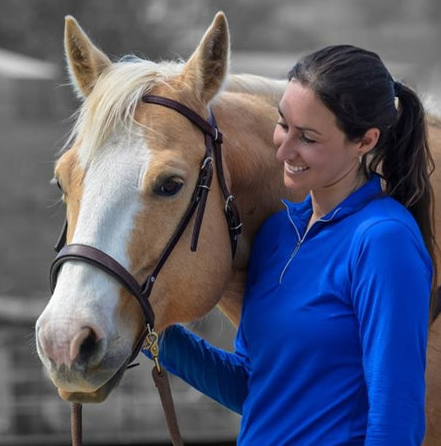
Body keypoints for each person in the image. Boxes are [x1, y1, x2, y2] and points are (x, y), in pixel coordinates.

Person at [147, 45, 437, 445]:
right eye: (284, 125)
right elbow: (255, 390)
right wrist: (151, 331)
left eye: (308, 137)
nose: (283, 149)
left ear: (365, 141)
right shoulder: (277, 234)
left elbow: (396, 419)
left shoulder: (383, 241)